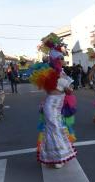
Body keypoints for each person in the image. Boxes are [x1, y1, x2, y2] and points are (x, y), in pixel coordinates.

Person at [30, 34, 77, 168]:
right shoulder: (49, 73)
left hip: (59, 106)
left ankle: (52, 156)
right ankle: (57, 157)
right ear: (56, 59)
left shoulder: (63, 73)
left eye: (63, 58)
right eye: (61, 58)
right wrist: (65, 87)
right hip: (51, 106)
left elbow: (71, 88)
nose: (63, 60)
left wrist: (67, 87)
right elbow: (62, 89)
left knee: (56, 129)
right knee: (54, 129)